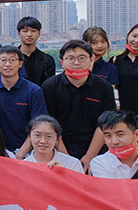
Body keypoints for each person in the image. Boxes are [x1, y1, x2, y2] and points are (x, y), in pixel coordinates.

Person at [41, 40, 116, 170]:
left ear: (91, 60)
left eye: (82, 58)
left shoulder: (103, 87)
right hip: (59, 148)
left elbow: (105, 124)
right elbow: (50, 125)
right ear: (62, 62)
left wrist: (90, 156)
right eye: (70, 58)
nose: (76, 63)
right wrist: (67, 159)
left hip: (95, 149)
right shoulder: (50, 86)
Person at [0, 45, 49, 155]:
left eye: (12, 60)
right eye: (3, 60)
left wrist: (20, 154)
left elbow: (38, 126)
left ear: (20, 63)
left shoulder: (34, 90)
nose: (7, 64)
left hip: (27, 152)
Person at [16, 17, 56, 86]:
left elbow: (50, 86)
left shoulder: (47, 60)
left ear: (39, 33)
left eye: (33, 31)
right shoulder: (11, 59)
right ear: (19, 33)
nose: (29, 34)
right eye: (25, 31)